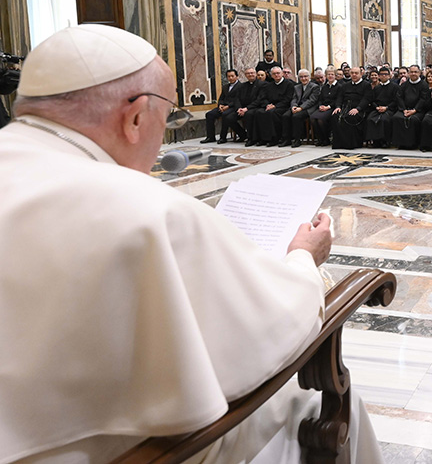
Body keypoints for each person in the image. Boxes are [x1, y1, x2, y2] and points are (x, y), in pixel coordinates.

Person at [0, 25, 382, 464]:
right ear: (137, 116)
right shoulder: (146, 210)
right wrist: (303, 258)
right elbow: (271, 330)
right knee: (318, 404)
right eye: (165, 120)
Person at [248, 66, 295, 147]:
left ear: (282, 74)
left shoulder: (289, 84)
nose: (276, 75)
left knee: (272, 113)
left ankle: (274, 138)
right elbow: (263, 97)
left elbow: (288, 99)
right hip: (269, 106)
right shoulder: (268, 85)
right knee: (258, 112)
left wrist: (275, 106)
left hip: (283, 106)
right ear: (271, 75)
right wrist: (267, 104)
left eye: (278, 73)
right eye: (274, 74)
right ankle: (262, 138)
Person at [202, 68, 246, 144]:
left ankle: (223, 137)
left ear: (237, 76)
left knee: (225, 115)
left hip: (233, 107)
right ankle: (210, 137)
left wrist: (228, 106)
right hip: (223, 106)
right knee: (209, 114)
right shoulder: (225, 87)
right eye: (229, 76)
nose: (230, 78)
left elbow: (238, 99)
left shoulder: (241, 86)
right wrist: (220, 105)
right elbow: (221, 98)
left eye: (232, 76)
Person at [332, 67, 371, 149]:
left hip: (359, 109)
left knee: (351, 117)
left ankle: (352, 144)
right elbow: (339, 97)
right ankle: (340, 144)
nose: (354, 75)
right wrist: (338, 107)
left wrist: (358, 109)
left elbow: (366, 99)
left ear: (361, 74)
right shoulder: (345, 85)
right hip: (345, 108)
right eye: (352, 73)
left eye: (356, 73)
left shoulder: (366, 85)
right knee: (336, 116)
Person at [392, 65, 430, 150]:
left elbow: (423, 99)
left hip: (418, 110)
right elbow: (399, 97)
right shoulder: (404, 85)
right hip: (405, 109)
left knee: (413, 120)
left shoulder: (424, 85)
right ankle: (401, 143)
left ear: (419, 73)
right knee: (396, 118)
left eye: (415, 72)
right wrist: (404, 109)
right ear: (408, 73)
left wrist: (414, 110)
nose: (413, 74)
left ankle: (413, 144)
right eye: (411, 72)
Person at [280, 69, 320, 147]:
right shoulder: (297, 87)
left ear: (309, 77)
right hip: (297, 107)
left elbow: (312, 100)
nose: (303, 78)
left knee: (296, 117)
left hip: (308, 108)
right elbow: (294, 98)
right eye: (301, 77)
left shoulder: (315, 87)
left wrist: (301, 108)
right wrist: (293, 106)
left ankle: (297, 139)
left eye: (305, 76)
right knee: (285, 116)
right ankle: (286, 139)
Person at [366, 66, 398, 147]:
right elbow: (372, 100)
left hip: (389, 109)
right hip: (377, 108)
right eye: (382, 74)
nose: (384, 76)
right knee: (370, 119)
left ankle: (385, 141)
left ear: (389, 76)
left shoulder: (395, 87)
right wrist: (376, 107)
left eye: (385, 74)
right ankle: (375, 141)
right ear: (379, 76)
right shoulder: (377, 88)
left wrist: (386, 107)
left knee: (384, 120)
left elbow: (396, 100)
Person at [309, 67, 341, 145]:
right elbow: (320, 99)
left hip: (332, 107)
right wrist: (320, 105)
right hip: (323, 107)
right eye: (328, 74)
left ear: (335, 76)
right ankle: (320, 138)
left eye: (332, 74)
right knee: (313, 118)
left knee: (320, 119)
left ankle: (326, 138)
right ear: (326, 76)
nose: (330, 76)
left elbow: (338, 99)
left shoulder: (339, 86)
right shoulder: (324, 87)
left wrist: (328, 107)